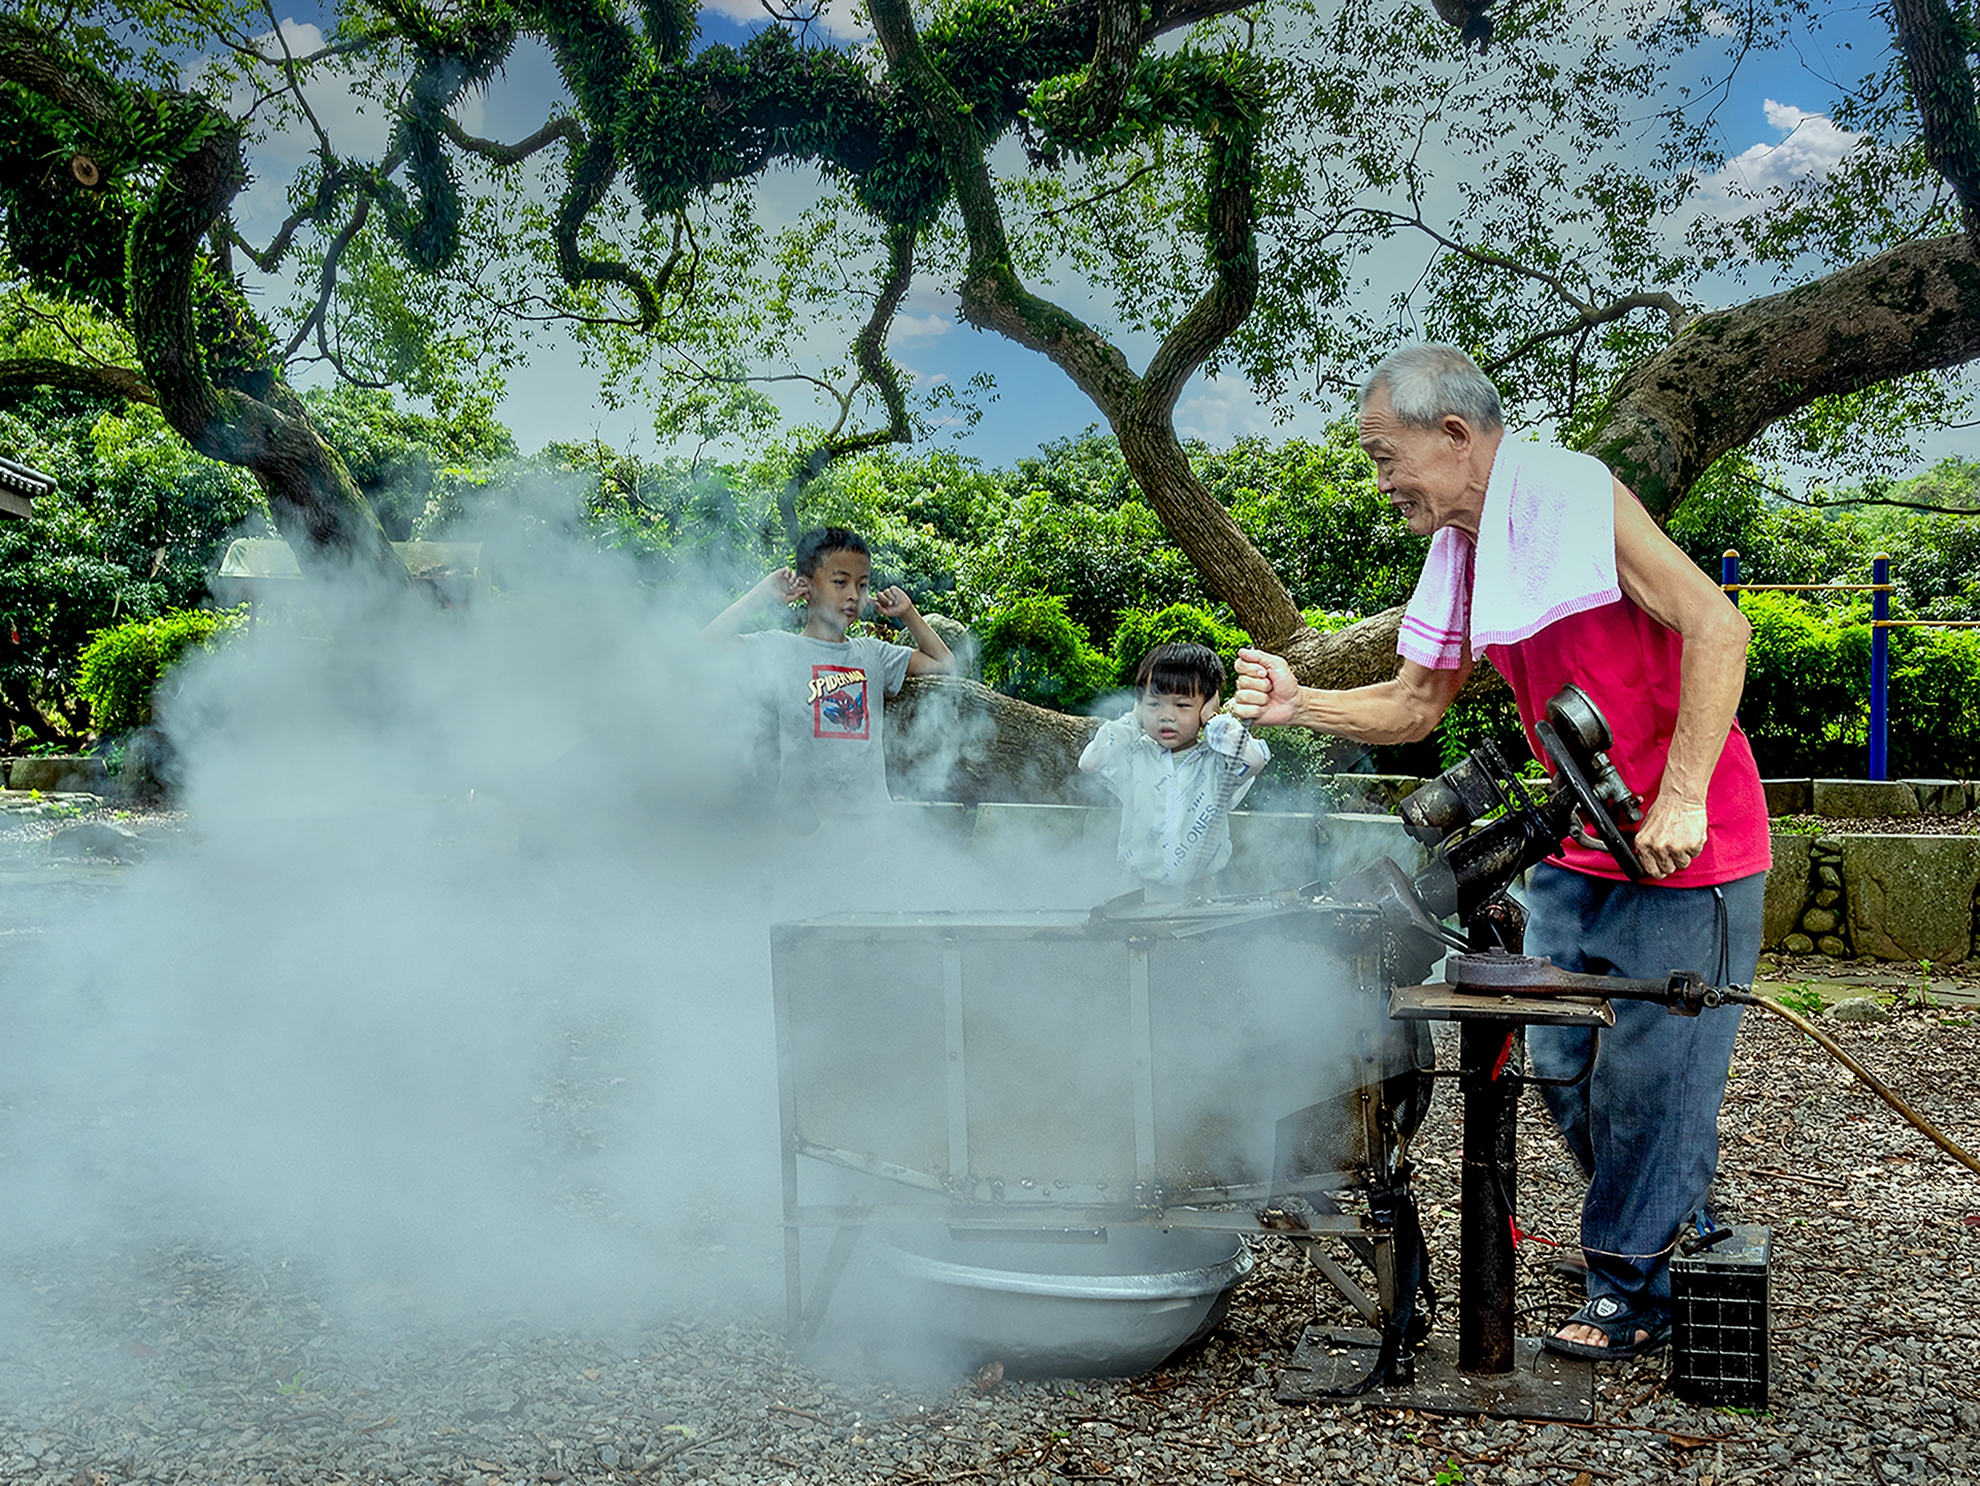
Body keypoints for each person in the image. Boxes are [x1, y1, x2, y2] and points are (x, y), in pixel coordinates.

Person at [1231, 344, 1770, 1362]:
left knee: (1654, 1079)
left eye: (1387, 454)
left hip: (1686, 849)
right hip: (1580, 842)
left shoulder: (1576, 494)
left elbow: (1718, 625)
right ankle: (1664, 1219)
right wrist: (1305, 703)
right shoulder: (1464, 551)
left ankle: (1631, 1285)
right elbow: (1414, 700)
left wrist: (1685, 794)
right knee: (1560, 1057)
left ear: (1455, 434)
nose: (1380, 477)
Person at [705, 526, 953, 826]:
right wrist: (761, 595)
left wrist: (908, 612)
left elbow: (943, 663)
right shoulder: (781, 648)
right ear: (805, 586)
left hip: (869, 819)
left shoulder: (873, 654)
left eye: (862, 586)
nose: (853, 595)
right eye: (840, 582)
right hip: (804, 821)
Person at [1080, 642, 1270, 895]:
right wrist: (1135, 719)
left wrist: (1213, 720)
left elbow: (1254, 759)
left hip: (1201, 893)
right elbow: (1089, 762)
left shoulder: (1216, 763)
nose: (1166, 716)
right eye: (1154, 704)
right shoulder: (1135, 757)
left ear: (1205, 706)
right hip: (1136, 891)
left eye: (1182, 705)